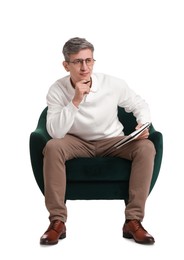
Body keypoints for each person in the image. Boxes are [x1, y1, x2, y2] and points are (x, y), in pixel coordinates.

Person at [40, 37, 156, 246]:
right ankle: (57, 221)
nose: (85, 67)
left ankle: (133, 220)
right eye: (77, 62)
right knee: (52, 147)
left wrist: (142, 124)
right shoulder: (57, 90)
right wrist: (75, 100)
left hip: (113, 141)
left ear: (93, 61)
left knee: (146, 147)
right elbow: (55, 133)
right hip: (75, 142)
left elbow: (139, 103)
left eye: (89, 60)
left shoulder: (113, 84)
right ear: (66, 65)